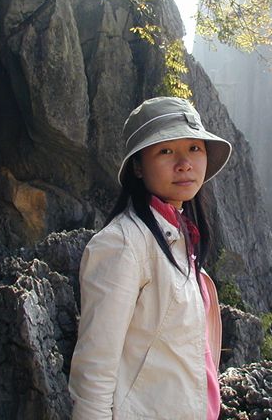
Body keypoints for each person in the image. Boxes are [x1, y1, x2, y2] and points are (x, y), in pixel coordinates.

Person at [69, 96, 232, 419]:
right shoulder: (122, 244)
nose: (184, 163)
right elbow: (94, 368)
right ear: (138, 167)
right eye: (166, 151)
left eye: (194, 148)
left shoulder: (178, 236)